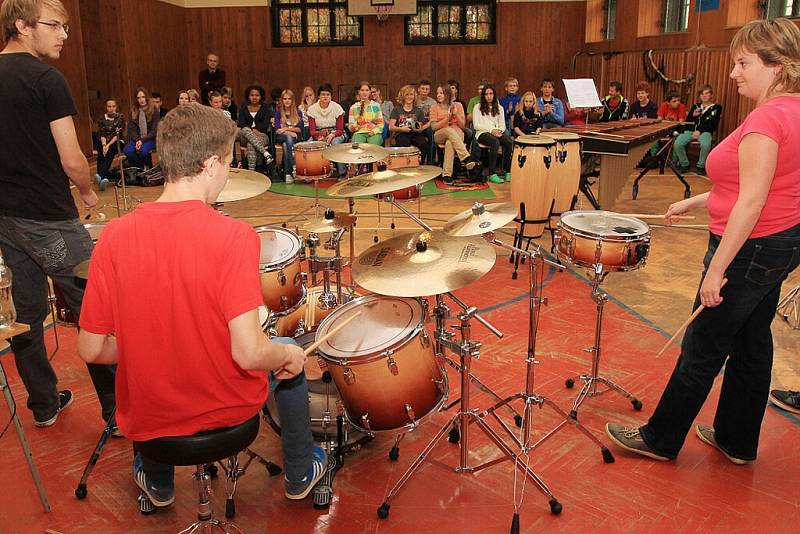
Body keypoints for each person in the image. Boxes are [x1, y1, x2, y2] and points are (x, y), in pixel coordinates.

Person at [77, 103, 327, 508]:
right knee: (290, 365)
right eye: (228, 163)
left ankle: (157, 483)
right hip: (226, 411)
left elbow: (90, 349)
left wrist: (146, 347)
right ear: (211, 164)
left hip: (152, 418)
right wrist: (288, 352)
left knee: (149, 380)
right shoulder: (234, 237)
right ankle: (300, 472)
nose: (228, 173)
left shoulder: (114, 237)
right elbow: (247, 352)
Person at [606, 18, 800, 466]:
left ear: (777, 67)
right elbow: (766, 182)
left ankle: (660, 438)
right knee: (752, 343)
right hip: (780, 243)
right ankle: (736, 438)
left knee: (702, 345)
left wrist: (717, 271)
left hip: (750, 248)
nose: (734, 73)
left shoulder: (768, 117)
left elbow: (751, 203)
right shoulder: (793, 108)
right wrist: (696, 201)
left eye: (743, 63)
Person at [0, 0, 116, 429]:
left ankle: (44, 404)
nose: (64, 35)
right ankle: (117, 409)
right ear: (21, 26)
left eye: (66, 26)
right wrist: (87, 191)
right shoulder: (46, 79)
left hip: (6, 218)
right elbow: (71, 157)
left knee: (26, 312)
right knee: (96, 306)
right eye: (54, 25)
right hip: (49, 216)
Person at [429, 84, 476, 182]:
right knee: (449, 130)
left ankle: (446, 175)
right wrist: (447, 119)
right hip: (440, 134)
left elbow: (463, 125)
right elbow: (434, 127)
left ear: (448, 94)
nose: (438, 95)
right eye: (437, 93)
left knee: (450, 143)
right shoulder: (434, 107)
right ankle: (466, 157)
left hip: (457, 135)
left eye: (441, 93)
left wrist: (456, 114)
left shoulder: (458, 105)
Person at [673, 85, 722, 175]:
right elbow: (688, 121)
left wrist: (699, 131)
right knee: (678, 143)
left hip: (705, 131)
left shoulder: (716, 108)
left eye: (706, 93)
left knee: (706, 144)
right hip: (690, 131)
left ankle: (701, 166)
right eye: (702, 94)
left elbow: (712, 123)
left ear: (711, 95)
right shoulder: (695, 106)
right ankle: (685, 164)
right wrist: (693, 116)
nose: (704, 96)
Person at [473, 83, 513, 184]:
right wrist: (492, 130)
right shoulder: (477, 107)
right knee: (495, 142)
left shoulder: (500, 108)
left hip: (496, 132)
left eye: (491, 94)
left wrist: (499, 131)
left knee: (509, 141)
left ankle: (508, 171)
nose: (489, 96)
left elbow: (503, 125)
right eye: (486, 94)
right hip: (482, 133)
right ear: (483, 96)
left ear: (494, 95)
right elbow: (476, 125)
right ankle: (492, 173)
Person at [307, 83, 347, 177]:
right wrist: (320, 135)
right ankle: (311, 172)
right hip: (318, 133)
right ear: (319, 96)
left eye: (328, 95)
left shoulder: (337, 108)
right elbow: (312, 131)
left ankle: (342, 172)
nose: (325, 97)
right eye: (323, 94)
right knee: (308, 146)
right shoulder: (312, 109)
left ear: (331, 96)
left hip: (336, 133)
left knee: (335, 143)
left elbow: (340, 130)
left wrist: (332, 135)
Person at [237, 84, 272, 171]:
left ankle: (251, 170)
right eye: (252, 95)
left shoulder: (265, 108)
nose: (254, 97)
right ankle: (266, 154)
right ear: (248, 97)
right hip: (245, 136)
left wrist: (258, 131)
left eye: (257, 95)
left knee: (251, 144)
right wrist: (252, 131)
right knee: (245, 129)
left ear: (261, 97)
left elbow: (265, 124)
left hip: (262, 135)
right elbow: (241, 124)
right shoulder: (243, 109)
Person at [123, 86, 159, 169]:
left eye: (143, 97)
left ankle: (146, 167)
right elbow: (132, 129)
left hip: (149, 138)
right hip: (137, 138)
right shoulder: (134, 111)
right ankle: (141, 168)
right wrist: (138, 140)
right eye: (138, 98)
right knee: (127, 151)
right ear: (136, 99)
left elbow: (154, 130)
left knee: (143, 151)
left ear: (147, 97)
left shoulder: (154, 111)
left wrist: (142, 141)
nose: (141, 100)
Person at [95, 98, 124, 191]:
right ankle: (101, 180)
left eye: (113, 106)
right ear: (106, 107)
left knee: (110, 149)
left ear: (116, 107)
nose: (111, 108)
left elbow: (117, 135)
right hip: (105, 141)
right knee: (100, 147)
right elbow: (101, 133)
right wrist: (104, 145)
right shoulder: (102, 118)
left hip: (117, 141)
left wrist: (108, 145)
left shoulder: (120, 117)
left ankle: (100, 176)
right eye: (109, 106)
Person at [389, 85, 428, 153]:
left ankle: (421, 162)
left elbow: (420, 127)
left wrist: (418, 128)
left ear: (414, 96)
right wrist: (401, 129)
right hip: (401, 133)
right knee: (404, 143)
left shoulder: (419, 111)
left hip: (415, 133)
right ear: (403, 96)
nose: (409, 97)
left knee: (423, 144)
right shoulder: (396, 109)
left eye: (411, 94)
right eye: (407, 95)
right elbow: (391, 127)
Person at [274, 89, 303, 183]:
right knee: (288, 137)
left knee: (286, 145)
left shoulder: (298, 113)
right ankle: (295, 166)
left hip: (295, 139)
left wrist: (286, 129)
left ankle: (288, 174)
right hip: (281, 137)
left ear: (292, 100)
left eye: (289, 99)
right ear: (282, 100)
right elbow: (278, 130)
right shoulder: (278, 113)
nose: (287, 101)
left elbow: (299, 129)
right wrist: (290, 132)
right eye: (285, 99)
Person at [348, 81, 384, 145]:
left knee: (373, 145)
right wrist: (356, 125)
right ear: (359, 92)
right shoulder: (353, 108)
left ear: (370, 92)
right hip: (359, 133)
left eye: (367, 90)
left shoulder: (376, 106)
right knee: (357, 146)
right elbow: (350, 127)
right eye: (362, 90)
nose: (364, 92)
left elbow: (380, 124)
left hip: (373, 132)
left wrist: (374, 131)